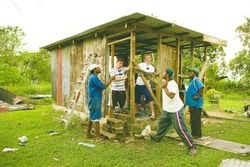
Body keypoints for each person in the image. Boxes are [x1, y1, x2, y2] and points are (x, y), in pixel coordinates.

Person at [150, 67, 196, 156]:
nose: (162, 73)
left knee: (180, 128)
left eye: (164, 72)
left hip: (175, 110)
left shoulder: (172, 84)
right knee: (162, 123)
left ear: (167, 74)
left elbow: (171, 95)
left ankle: (191, 146)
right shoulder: (165, 81)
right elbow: (155, 78)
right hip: (167, 109)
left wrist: (164, 88)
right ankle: (157, 138)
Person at [86, 64, 116, 139]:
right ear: (95, 69)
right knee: (96, 118)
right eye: (98, 67)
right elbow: (103, 86)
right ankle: (98, 137)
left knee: (91, 116)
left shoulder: (93, 77)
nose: (100, 68)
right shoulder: (93, 78)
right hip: (95, 100)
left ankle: (87, 134)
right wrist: (111, 79)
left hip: (93, 99)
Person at [135, 52, 155, 118]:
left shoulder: (152, 67)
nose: (147, 59)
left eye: (149, 58)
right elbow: (135, 70)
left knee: (149, 98)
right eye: (146, 58)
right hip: (138, 83)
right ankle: (135, 112)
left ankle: (153, 113)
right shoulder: (140, 65)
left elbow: (150, 76)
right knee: (137, 98)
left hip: (146, 84)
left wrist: (144, 74)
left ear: (151, 59)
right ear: (144, 59)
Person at [185, 67, 204, 139]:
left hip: (196, 104)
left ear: (194, 73)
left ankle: (196, 135)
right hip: (192, 104)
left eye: (191, 72)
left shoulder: (196, 80)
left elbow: (201, 87)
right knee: (193, 119)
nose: (189, 73)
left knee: (196, 120)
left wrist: (198, 96)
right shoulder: (192, 81)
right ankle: (194, 134)